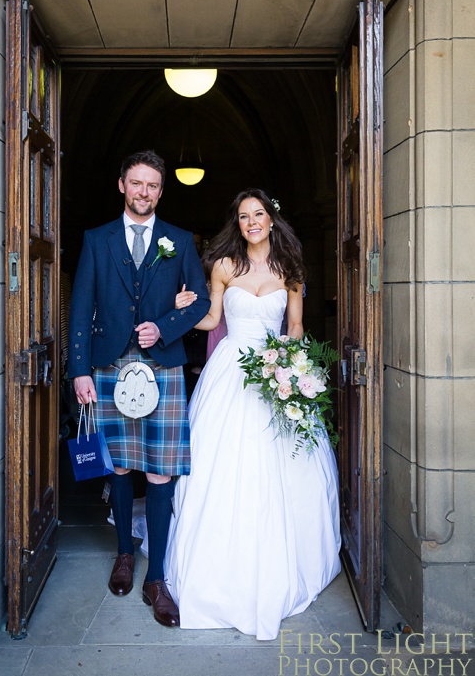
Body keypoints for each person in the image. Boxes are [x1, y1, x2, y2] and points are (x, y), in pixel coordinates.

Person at [165, 188, 341, 641]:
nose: (251, 223)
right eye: (243, 216)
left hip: (276, 368)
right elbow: (212, 319)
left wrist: (294, 368)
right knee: (222, 465)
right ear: (237, 224)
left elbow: (296, 325)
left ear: (271, 218)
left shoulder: (291, 270)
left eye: (257, 214)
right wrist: (186, 309)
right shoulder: (224, 266)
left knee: (280, 466)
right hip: (230, 371)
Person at [67, 150, 210, 627]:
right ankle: (125, 553)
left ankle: (158, 578)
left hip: (162, 366)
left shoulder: (179, 240)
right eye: (136, 183)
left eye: (152, 185)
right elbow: (80, 304)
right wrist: (79, 369)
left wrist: (165, 327)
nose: (144, 192)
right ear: (122, 185)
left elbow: (203, 301)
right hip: (109, 365)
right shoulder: (96, 239)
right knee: (123, 465)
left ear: (161, 191)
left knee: (161, 472)